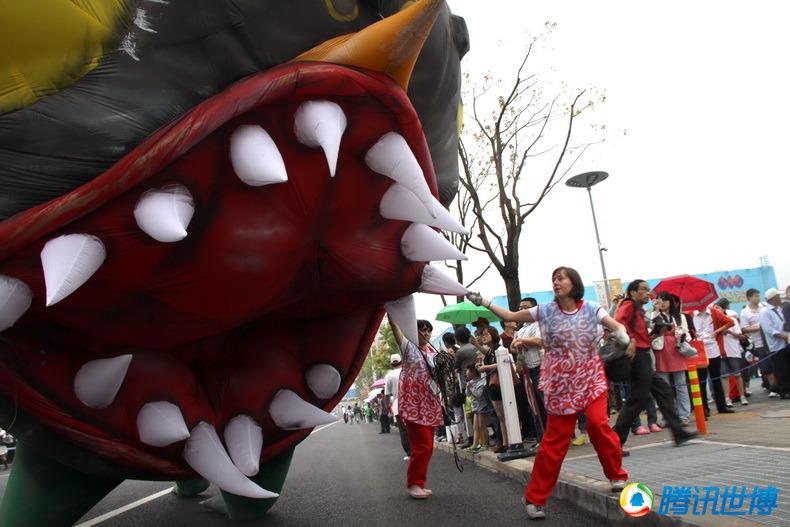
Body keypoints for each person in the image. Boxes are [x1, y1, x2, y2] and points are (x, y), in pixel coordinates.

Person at [469, 266, 629, 521]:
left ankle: (617, 476)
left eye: (561, 278)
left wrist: (622, 335)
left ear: (573, 283)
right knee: (555, 442)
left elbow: (615, 324)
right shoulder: (545, 311)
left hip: (590, 380)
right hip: (559, 386)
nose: (556, 282)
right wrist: (484, 302)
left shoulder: (590, 308)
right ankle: (534, 498)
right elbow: (510, 314)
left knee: (599, 425)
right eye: (553, 279)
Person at [612, 279, 699, 449]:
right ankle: (614, 441)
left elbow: (643, 336)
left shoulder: (639, 309)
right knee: (637, 401)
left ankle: (678, 432)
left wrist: (656, 334)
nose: (647, 293)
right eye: (643, 289)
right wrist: (632, 339)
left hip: (643, 355)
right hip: (638, 357)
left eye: (648, 289)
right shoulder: (629, 305)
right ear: (633, 292)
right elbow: (619, 323)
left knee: (663, 391)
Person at [390, 319, 443, 499]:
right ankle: (413, 484)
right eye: (422, 330)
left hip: (431, 406)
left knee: (428, 448)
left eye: (428, 331)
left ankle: (419, 483)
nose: (426, 334)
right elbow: (395, 327)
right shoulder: (408, 348)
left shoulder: (433, 353)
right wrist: (390, 312)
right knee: (422, 447)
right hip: (414, 408)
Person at [651, 291, 692, 425]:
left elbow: (687, 333)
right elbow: (652, 328)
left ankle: (684, 416)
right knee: (664, 387)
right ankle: (666, 417)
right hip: (661, 350)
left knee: (681, 385)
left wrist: (683, 337)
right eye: (659, 300)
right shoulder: (655, 315)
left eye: (664, 300)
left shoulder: (680, 317)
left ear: (670, 301)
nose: (661, 303)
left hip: (676, 350)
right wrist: (656, 311)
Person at [513, 296, 546, 453]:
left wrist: (521, 341)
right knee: (535, 407)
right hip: (527, 370)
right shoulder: (521, 329)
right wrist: (519, 342)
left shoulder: (539, 323)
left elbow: (540, 340)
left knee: (545, 404)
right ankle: (541, 437)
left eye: (525, 307)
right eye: (520, 308)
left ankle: (551, 438)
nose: (522, 310)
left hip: (540, 367)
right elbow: (513, 345)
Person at [693, 301, 735, 415]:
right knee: (701, 380)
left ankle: (722, 406)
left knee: (716, 378)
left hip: (713, 348)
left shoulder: (714, 312)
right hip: (698, 350)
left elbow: (730, 322)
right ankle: (704, 408)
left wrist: (718, 330)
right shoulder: (690, 314)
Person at [474, 326, 509, 453]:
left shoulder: (500, 349)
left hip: (500, 384)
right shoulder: (489, 351)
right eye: (482, 335)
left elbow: (503, 362)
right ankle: (504, 441)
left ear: (493, 335)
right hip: (491, 384)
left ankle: (507, 441)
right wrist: (482, 365)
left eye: (486, 334)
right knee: (500, 415)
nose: (483, 337)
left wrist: (486, 367)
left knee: (504, 414)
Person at [712, 298, 749, 405]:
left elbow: (741, 336)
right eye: (714, 309)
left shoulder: (731, 320)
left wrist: (728, 331)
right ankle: (727, 398)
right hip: (720, 351)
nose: (716, 310)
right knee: (725, 376)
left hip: (733, 350)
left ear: (723, 309)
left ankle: (742, 396)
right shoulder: (713, 322)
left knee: (737, 374)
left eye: (718, 308)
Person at [740, 288, 775, 394]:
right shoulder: (745, 312)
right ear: (749, 298)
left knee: (777, 364)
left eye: (759, 296)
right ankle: (773, 388)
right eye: (756, 296)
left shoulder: (764, 307)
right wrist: (759, 328)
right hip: (759, 342)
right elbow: (744, 328)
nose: (758, 298)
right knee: (767, 366)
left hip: (772, 340)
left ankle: (780, 386)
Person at [759, 288, 790, 398]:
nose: (780, 298)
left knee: (787, 367)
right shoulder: (765, 311)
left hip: (785, 343)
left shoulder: (778, 309)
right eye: (778, 296)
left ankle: (781, 388)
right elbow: (769, 330)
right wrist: (784, 337)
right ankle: (784, 391)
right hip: (776, 345)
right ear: (773, 298)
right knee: (781, 369)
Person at [384, 353, 411, 459]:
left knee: (404, 430)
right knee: (414, 428)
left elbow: (387, 393)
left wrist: (387, 404)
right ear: (402, 362)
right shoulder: (407, 371)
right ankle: (418, 450)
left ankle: (410, 453)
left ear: (391, 364)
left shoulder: (389, 376)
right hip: (412, 403)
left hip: (398, 405)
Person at [465, 363, 488, 451]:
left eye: (468, 370)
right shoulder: (470, 382)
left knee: (482, 426)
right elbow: (467, 394)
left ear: (473, 372)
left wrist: (471, 388)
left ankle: (485, 443)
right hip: (475, 406)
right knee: (476, 427)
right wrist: (468, 388)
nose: (466, 372)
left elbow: (479, 394)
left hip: (481, 406)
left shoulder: (480, 382)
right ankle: (475, 444)